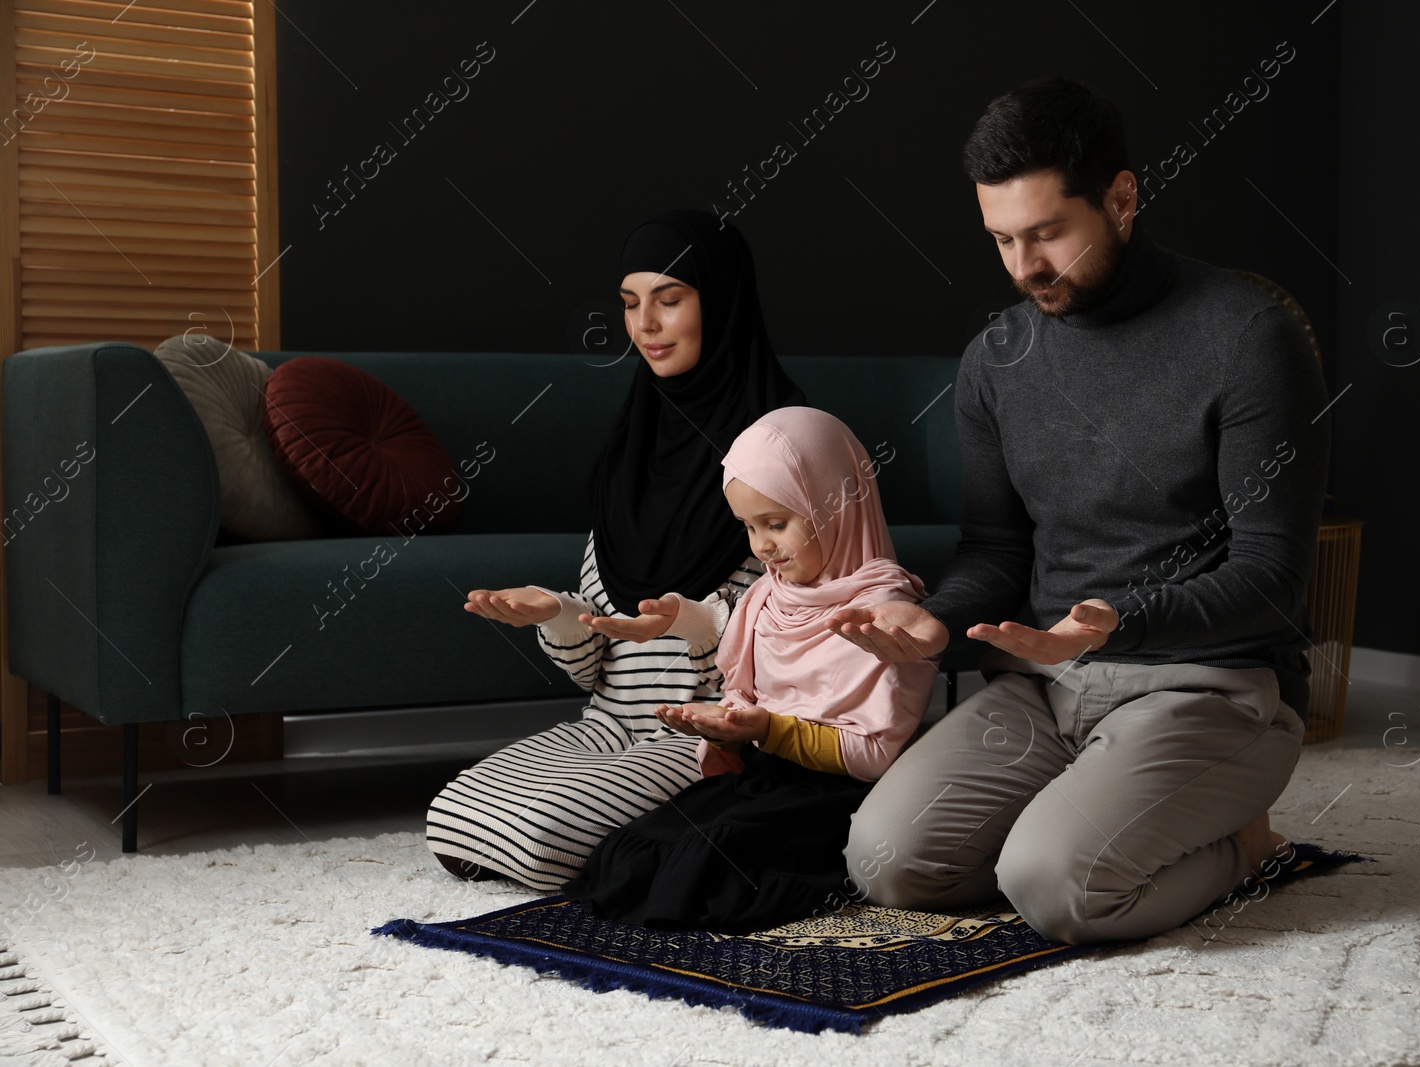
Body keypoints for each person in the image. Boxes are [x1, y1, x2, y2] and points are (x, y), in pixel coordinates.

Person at [829, 77, 1332, 945]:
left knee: (1055, 887)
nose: (1024, 266)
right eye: (1000, 240)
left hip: (1210, 686)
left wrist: (1109, 625)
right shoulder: (994, 361)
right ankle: (1084, 813)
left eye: (1047, 233)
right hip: (1045, 685)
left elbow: (1273, 579)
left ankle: (1245, 845)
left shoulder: (1249, 336)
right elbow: (995, 548)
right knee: (886, 860)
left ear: (1123, 197)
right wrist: (934, 620)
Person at [425, 209, 805, 890]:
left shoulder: (782, 446)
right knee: (451, 819)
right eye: (631, 304)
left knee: (538, 838)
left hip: (707, 736)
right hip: (608, 724)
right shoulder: (630, 448)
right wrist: (557, 613)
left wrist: (687, 621)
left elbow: (784, 645)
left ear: (720, 300)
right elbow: (594, 667)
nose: (645, 326)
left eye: (670, 299)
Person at [561, 407, 937, 933]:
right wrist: (726, 731)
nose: (761, 546)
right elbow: (747, 700)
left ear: (837, 506)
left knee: (718, 857)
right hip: (766, 774)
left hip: (838, 791)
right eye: (748, 527)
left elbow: (874, 756)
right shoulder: (766, 597)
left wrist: (766, 729)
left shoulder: (882, 614)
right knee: (635, 846)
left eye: (777, 524)